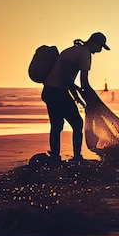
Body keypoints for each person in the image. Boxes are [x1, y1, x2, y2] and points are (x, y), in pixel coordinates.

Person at [41, 32, 110, 163]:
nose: (100, 50)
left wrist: (78, 97)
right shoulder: (84, 54)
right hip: (58, 93)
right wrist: (91, 99)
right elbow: (83, 82)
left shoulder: (74, 50)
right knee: (77, 124)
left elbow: (65, 79)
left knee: (56, 125)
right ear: (94, 43)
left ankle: (55, 156)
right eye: (100, 46)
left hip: (49, 91)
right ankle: (77, 157)